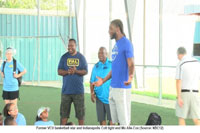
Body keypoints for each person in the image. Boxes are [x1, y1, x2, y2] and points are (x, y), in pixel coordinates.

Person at [93, 19, 135, 125]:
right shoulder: (116, 45)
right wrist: (103, 80)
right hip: (113, 88)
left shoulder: (126, 43)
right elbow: (114, 68)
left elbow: (131, 63)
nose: (109, 31)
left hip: (122, 88)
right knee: (116, 121)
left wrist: (130, 76)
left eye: (110, 29)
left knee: (124, 123)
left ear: (117, 29)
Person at [58, 39, 88, 125]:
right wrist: (67, 72)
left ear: (76, 46)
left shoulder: (81, 58)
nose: (70, 47)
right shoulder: (64, 57)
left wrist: (76, 71)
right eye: (69, 46)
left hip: (78, 92)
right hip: (66, 92)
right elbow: (59, 71)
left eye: (72, 46)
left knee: (80, 115)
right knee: (64, 115)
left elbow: (85, 71)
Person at [175, 47, 200, 125]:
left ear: (179, 54)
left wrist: (179, 97)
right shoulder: (197, 62)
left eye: (177, 55)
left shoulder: (180, 63)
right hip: (195, 93)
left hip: (184, 94)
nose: (177, 57)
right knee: (196, 119)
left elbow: (178, 81)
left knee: (181, 118)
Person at [90, 47, 112, 125]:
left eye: (102, 53)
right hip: (99, 97)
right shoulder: (95, 66)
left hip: (110, 97)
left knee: (112, 121)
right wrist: (92, 93)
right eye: (99, 53)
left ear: (106, 54)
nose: (100, 55)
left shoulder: (111, 65)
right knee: (102, 121)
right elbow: (91, 81)